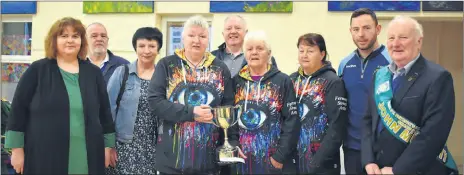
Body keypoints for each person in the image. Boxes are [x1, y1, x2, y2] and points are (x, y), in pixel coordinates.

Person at [4, 17, 115, 174]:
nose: (70, 40)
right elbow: (17, 110)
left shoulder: (93, 73)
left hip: (88, 153)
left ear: (82, 41)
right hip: (45, 154)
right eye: (64, 36)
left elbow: (105, 112)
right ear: (54, 40)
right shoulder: (37, 70)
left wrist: (108, 146)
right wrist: (17, 150)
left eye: (75, 36)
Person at [362, 15, 459, 175]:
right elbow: (367, 121)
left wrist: (398, 170)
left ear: (418, 42)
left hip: (417, 170)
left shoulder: (438, 77)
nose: (395, 44)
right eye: (391, 38)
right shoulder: (379, 75)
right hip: (378, 169)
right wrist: (368, 160)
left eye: (403, 37)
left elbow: (433, 134)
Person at [147, 15, 239, 175]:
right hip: (171, 163)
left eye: (202, 36)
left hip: (208, 163)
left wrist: (232, 143)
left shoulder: (220, 69)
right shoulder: (167, 65)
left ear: (208, 40)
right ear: (183, 38)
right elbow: (155, 102)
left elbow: (229, 109)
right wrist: (191, 113)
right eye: (191, 35)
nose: (196, 40)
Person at [231, 30, 300, 174]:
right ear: (245, 54)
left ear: (269, 54)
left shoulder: (283, 81)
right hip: (242, 161)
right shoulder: (235, 82)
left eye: (259, 48)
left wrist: (280, 156)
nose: (254, 52)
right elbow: (230, 120)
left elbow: (291, 121)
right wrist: (233, 145)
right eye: (249, 49)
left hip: (272, 162)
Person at [337, 8, 391, 174]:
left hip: (383, 148)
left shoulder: (391, 61)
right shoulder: (344, 64)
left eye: (367, 28)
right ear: (350, 31)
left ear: (378, 29)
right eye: (356, 29)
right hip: (352, 147)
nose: (361, 34)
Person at [106, 27, 163, 174]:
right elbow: (107, 110)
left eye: (152, 46)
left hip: (152, 148)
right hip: (123, 147)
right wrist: (108, 146)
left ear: (158, 49)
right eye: (142, 46)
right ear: (135, 48)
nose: (146, 51)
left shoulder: (163, 77)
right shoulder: (122, 72)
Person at [290, 33, 348, 174]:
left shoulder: (333, 82)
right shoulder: (291, 80)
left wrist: (316, 162)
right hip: (293, 162)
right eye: (301, 50)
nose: (304, 55)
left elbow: (337, 126)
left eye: (310, 51)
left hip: (321, 164)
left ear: (322, 54)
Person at [211, 15, 278, 77]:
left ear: (246, 32)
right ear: (223, 34)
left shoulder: (265, 58)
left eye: (237, 28)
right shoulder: (211, 57)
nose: (233, 31)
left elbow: (275, 82)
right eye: (228, 29)